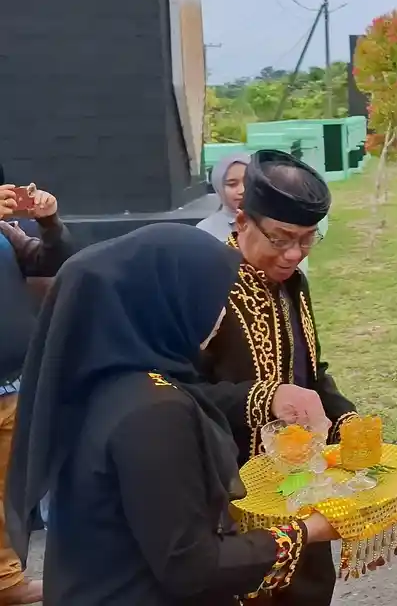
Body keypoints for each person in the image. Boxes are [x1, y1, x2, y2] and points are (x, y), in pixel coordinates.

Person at [4, 224, 341, 605]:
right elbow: (192, 565)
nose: (221, 313)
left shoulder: (107, 383)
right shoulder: (155, 413)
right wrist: (308, 530)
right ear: (167, 302)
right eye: (214, 297)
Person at [200, 150, 356, 605]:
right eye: (282, 239)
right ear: (243, 219)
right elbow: (174, 393)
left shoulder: (292, 282)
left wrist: (345, 419)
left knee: (308, 592)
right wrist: (263, 397)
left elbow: (310, 372)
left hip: (300, 483)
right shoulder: (204, 285)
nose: (293, 254)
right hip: (231, 494)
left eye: (308, 240)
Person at [0, 181, 72, 605]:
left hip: (13, 384)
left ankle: (7, 581)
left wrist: (48, 221)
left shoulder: (6, 232)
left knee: (10, 490)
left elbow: (53, 260)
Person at [196, 153, 250, 241]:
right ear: (219, 188)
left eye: (247, 181)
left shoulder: (271, 225)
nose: (242, 190)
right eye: (232, 184)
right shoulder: (205, 231)